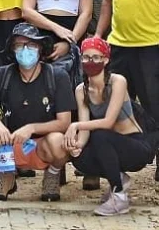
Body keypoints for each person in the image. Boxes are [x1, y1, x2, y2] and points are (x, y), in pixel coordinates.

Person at [0, 23, 74, 202]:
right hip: (9, 141)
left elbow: (64, 122)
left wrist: (31, 128)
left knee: (59, 141)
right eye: (19, 45)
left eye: (31, 45)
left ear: (40, 48)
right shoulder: (3, 75)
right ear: (12, 50)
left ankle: (52, 174)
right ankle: (4, 172)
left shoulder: (57, 76)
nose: (25, 50)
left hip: (43, 144)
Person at [94, 0, 159, 181]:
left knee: (154, 105)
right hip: (119, 46)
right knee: (117, 105)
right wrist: (98, 35)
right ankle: (117, 162)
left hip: (151, 45)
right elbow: (107, 0)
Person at [64, 37, 155, 216]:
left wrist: (74, 125)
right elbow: (85, 131)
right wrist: (77, 146)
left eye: (96, 57)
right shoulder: (81, 90)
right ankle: (119, 179)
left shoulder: (117, 81)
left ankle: (119, 196)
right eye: (86, 57)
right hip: (109, 145)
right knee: (79, 156)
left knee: (100, 134)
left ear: (106, 60)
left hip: (135, 145)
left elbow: (108, 121)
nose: (91, 62)